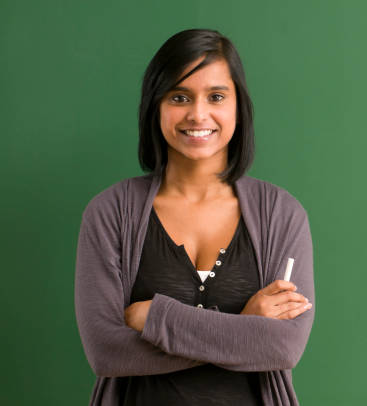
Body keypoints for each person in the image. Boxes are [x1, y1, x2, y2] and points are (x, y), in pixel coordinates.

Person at [74, 28, 315, 406]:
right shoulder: (110, 212)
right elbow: (107, 353)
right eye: (179, 96)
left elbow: (283, 348)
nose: (197, 114)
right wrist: (244, 329)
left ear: (239, 106)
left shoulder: (281, 214)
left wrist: (153, 317)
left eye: (216, 96)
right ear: (156, 105)